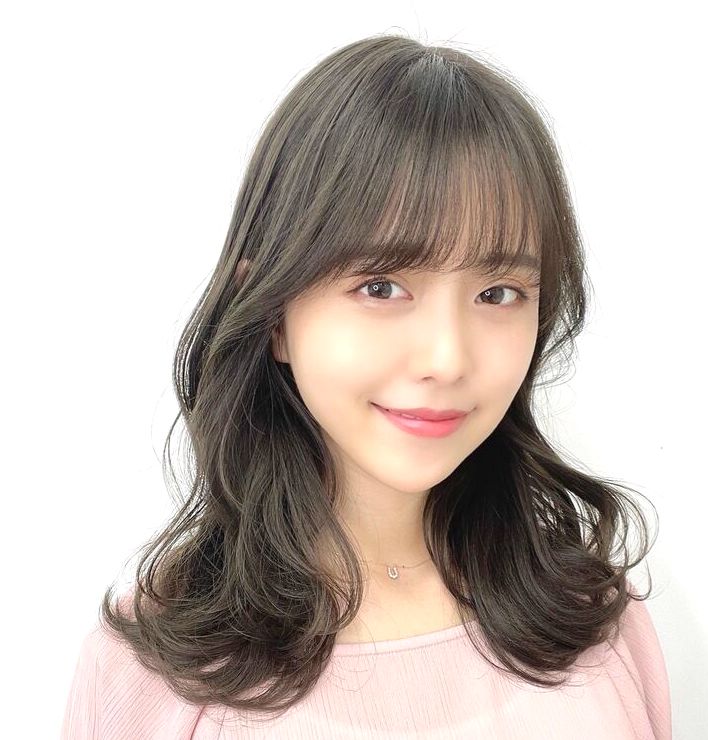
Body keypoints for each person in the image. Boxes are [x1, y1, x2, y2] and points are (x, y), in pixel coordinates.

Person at [61, 32, 672, 738]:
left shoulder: (598, 625)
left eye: (499, 293)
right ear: (273, 313)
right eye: (381, 286)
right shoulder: (159, 668)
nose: (447, 358)